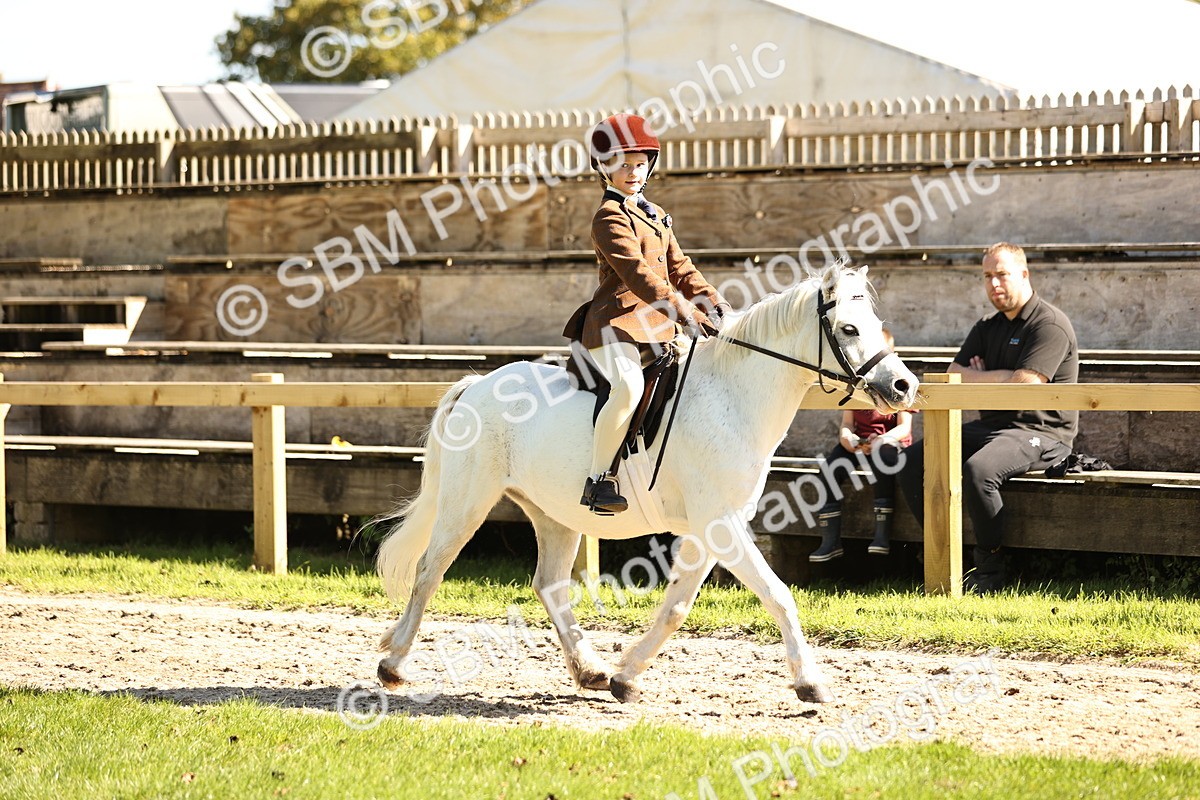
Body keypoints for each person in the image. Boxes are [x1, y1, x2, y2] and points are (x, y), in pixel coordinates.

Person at [563, 113, 729, 515]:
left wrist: (715, 304)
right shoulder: (609, 216)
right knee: (628, 387)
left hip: (659, 326)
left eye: (640, 164)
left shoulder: (655, 213)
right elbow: (639, 276)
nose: (633, 172)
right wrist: (685, 311)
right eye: (623, 164)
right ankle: (598, 480)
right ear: (604, 167)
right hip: (615, 325)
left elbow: (681, 268)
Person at [898, 242, 1079, 592]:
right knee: (910, 461)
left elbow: (1026, 385)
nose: (993, 284)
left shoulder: (1049, 324)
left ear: (1024, 274)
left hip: (1042, 431)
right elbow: (954, 374)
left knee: (979, 470)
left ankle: (990, 573)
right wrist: (1004, 375)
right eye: (986, 276)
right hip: (992, 427)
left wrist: (982, 375)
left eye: (1002, 274)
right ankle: (944, 556)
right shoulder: (986, 326)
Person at [809, 329, 914, 562]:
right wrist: (848, 438)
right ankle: (830, 541)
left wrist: (882, 440)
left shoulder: (900, 382)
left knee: (881, 457)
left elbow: (904, 428)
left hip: (889, 444)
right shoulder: (857, 385)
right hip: (861, 444)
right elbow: (847, 424)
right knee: (830, 467)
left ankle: (882, 535)